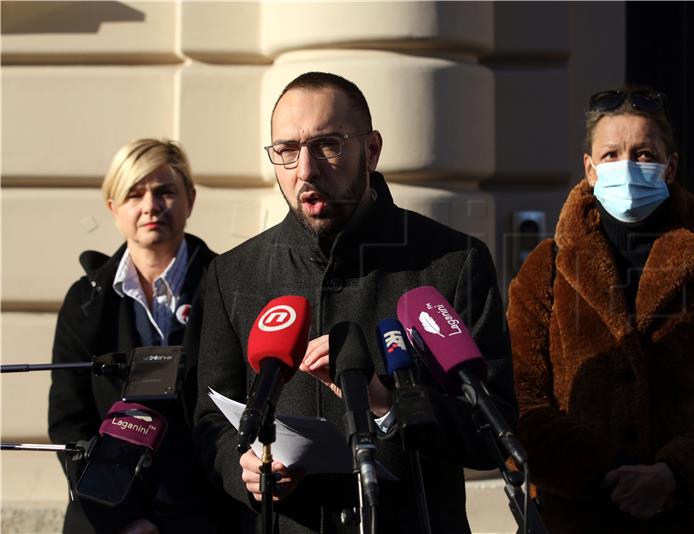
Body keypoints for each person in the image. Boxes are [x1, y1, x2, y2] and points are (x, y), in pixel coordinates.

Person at [191, 71, 517, 533]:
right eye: (286, 151)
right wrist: (241, 467)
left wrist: (390, 405)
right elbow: (209, 420)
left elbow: (494, 429)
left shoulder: (453, 263)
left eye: (328, 145)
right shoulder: (233, 274)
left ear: (371, 149)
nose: (305, 170)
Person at [507, 87, 694, 533]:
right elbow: (519, 400)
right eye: (611, 154)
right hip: (576, 519)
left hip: (692, 519)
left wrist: (675, 475)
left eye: (644, 153)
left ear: (670, 167)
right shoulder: (548, 266)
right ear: (590, 170)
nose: (627, 167)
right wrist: (608, 472)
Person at [48, 138, 222, 534]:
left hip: (203, 518)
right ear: (114, 209)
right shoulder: (84, 301)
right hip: (104, 519)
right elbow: (69, 421)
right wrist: (122, 518)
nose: (150, 206)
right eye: (134, 194)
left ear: (190, 200)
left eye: (165, 192)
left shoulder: (227, 287)